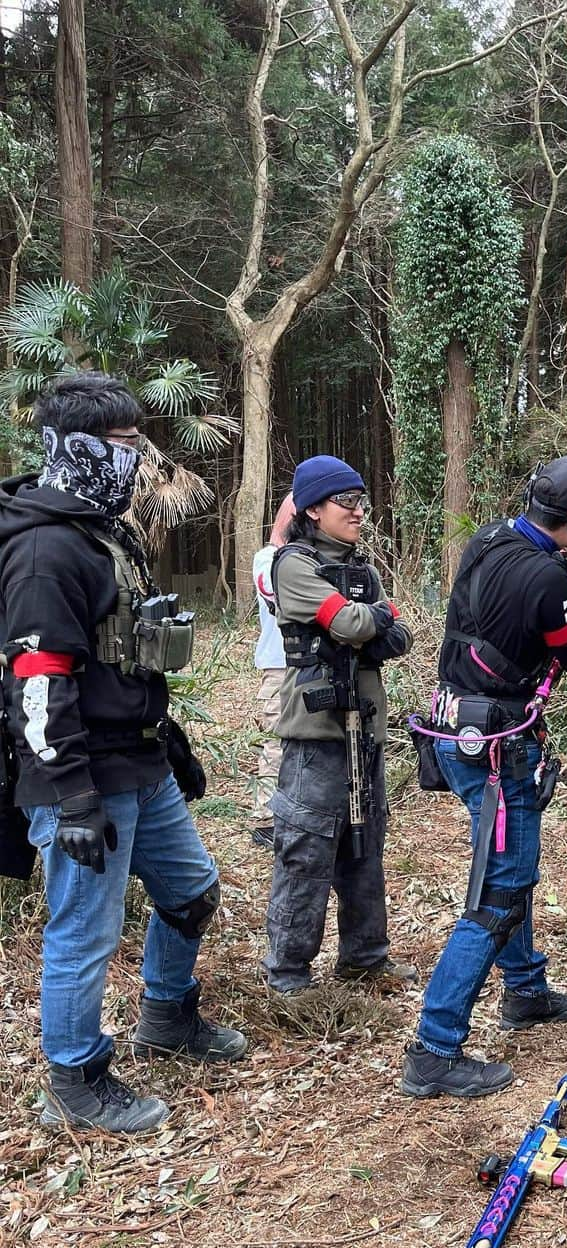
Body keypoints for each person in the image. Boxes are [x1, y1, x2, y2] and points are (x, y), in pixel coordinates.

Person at [0, 372, 247, 1136]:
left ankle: (168, 1018)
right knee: (84, 933)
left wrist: (164, 740)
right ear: (74, 448)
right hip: (82, 778)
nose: (137, 459)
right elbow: (38, 685)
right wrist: (70, 795)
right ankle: (75, 1081)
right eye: (121, 444)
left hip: (138, 761)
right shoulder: (43, 550)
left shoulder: (103, 532)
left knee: (192, 894)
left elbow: (121, 659)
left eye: (138, 442)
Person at [401, 454, 567, 1099]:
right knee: (501, 891)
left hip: (461, 727)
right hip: (494, 748)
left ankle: (524, 990)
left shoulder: (489, 540)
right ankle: (434, 1047)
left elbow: (517, 616)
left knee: (510, 871)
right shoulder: (545, 578)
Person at [263, 455, 416, 994]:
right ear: (312, 508)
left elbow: (397, 639)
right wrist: (372, 620)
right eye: (345, 501)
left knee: (365, 843)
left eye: (360, 501)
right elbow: (355, 621)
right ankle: (288, 976)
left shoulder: (362, 569)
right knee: (306, 850)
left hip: (365, 731)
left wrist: (370, 623)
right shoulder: (293, 564)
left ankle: (365, 956)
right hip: (316, 736)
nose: (357, 512)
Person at [250, 493, 294, 848]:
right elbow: (277, 594)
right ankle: (266, 817)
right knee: (277, 743)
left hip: (309, 667)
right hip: (279, 667)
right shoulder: (268, 559)